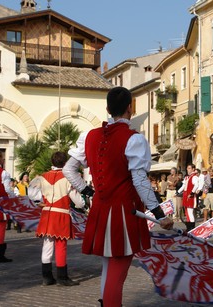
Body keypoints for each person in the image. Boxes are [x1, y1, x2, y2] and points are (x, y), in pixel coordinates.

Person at [62, 86, 173, 307]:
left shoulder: (89, 136)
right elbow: (140, 181)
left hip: (101, 211)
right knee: (117, 272)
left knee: (108, 267)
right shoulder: (134, 139)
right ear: (130, 108)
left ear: (107, 109)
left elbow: (68, 170)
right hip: (124, 212)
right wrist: (160, 215)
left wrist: (88, 191)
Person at [36, 151, 84, 287]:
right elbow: (79, 202)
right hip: (61, 213)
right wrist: (84, 204)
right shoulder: (68, 177)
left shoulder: (43, 177)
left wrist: (40, 202)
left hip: (46, 214)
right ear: (65, 163)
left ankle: (47, 277)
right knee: (61, 245)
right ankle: (62, 278)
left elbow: (33, 194)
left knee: (47, 245)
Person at [177, 164, 198, 232]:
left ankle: (192, 227)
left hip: (190, 196)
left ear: (193, 169)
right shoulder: (187, 177)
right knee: (187, 212)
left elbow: (196, 185)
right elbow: (184, 186)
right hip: (186, 196)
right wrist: (178, 191)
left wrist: (192, 193)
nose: (187, 169)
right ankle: (189, 227)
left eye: (189, 168)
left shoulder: (194, 177)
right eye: (187, 168)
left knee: (190, 212)